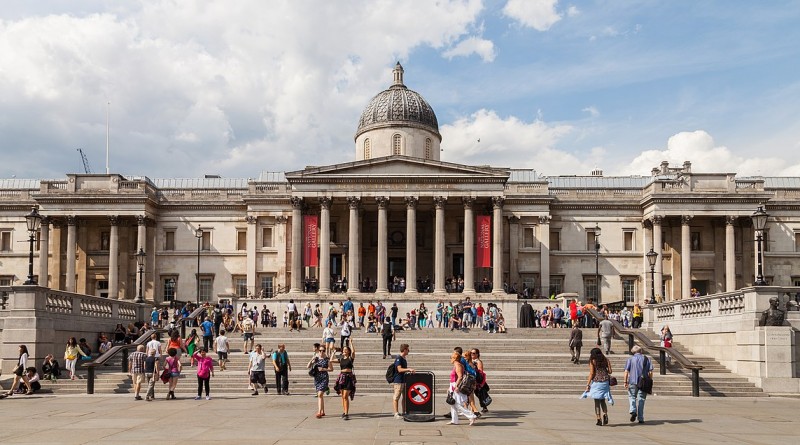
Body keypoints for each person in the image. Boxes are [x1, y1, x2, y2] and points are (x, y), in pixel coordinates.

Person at [624, 345, 653, 424]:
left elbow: (626, 371)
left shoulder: (630, 359)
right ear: (641, 351)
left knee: (632, 396)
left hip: (632, 381)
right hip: (644, 382)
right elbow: (650, 372)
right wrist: (649, 380)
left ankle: (633, 410)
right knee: (641, 399)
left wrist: (625, 382)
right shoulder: (647, 359)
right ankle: (641, 418)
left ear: (633, 352)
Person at [448, 348, 477, 426]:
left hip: (456, 385)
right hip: (453, 384)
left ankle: (471, 415)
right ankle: (454, 420)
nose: (450, 359)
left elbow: (460, 377)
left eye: (451, 357)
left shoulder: (458, 365)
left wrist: (456, 386)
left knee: (456, 404)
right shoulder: (456, 365)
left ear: (454, 358)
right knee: (452, 403)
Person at [585, 347, 613, 426]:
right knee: (603, 400)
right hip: (605, 382)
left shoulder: (592, 361)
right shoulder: (606, 360)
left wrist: (588, 384)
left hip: (597, 382)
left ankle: (599, 419)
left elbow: (592, 373)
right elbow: (610, 371)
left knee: (597, 401)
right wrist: (604, 371)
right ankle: (605, 414)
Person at [332, 338, 357, 420]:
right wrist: (333, 353)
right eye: (344, 349)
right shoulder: (341, 359)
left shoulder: (350, 358)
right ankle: (344, 411)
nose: (344, 350)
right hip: (342, 377)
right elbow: (331, 360)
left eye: (346, 350)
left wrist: (351, 343)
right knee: (343, 396)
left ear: (348, 351)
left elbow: (353, 352)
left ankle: (346, 414)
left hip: (348, 377)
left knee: (345, 395)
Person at [308, 344, 333, 419]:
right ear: (318, 350)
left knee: (319, 394)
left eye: (323, 350)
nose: (321, 352)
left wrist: (324, 369)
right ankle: (322, 411)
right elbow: (308, 366)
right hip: (317, 378)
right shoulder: (316, 358)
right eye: (320, 350)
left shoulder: (327, 359)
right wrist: (311, 360)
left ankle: (319, 412)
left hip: (324, 378)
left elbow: (331, 369)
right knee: (320, 395)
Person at [391, 344, 415, 419]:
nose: (409, 351)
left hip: (404, 380)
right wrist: (408, 369)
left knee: (404, 397)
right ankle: (396, 413)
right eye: (408, 349)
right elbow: (399, 369)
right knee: (396, 397)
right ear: (404, 350)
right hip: (398, 381)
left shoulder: (403, 358)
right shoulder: (399, 358)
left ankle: (404, 411)